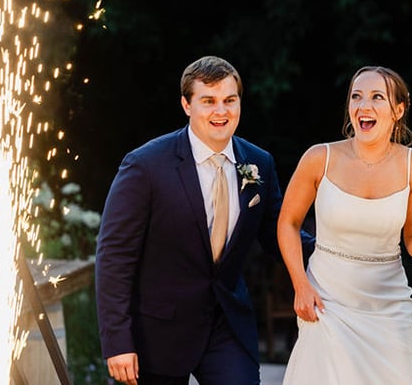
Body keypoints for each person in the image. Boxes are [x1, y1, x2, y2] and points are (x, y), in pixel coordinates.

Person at [95, 56, 312, 385]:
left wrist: (342, 255)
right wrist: (118, 342)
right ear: (186, 104)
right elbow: (114, 257)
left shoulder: (259, 163)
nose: (220, 112)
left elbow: (278, 234)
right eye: (208, 101)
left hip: (226, 326)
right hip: (157, 333)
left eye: (229, 100)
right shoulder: (145, 166)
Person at [277, 65, 412, 384]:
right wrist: (300, 284)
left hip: (388, 308)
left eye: (376, 97)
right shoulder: (319, 158)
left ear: (398, 110)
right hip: (326, 300)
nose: (363, 106)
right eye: (356, 96)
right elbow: (288, 222)